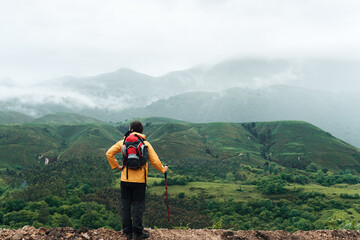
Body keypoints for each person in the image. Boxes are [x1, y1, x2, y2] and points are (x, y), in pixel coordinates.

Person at [106, 121, 168, 240]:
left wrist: (117, 166)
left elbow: (109, 153)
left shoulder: (123, 142)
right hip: (140, 181)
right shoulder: (146, 144)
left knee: (125, 206)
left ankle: (127, 232)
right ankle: (138, 233)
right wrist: (163, 170)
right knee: (138, 207)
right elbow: (154, 161)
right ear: (141, 131)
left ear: (130, 129)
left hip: (125, 180)